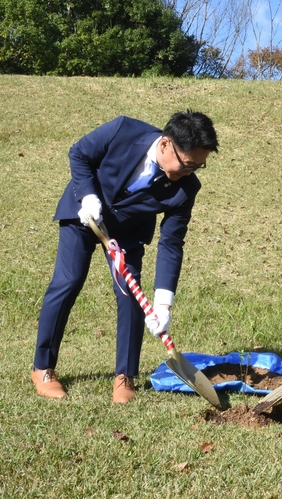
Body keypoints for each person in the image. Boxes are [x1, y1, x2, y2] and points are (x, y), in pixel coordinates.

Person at [32, 110, 219, 403]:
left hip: (128, 233)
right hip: (84, 215)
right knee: (68, 282)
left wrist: (163, 303)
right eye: (187, 164)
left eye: (199, 166)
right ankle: (43, 368)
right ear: (166, 144)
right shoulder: (122, 130)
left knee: (130, 296)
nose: (190, 172)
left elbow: (171, 243)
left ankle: (125, 376)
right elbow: (79, 153)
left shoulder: (186, 187)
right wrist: (88, 196)